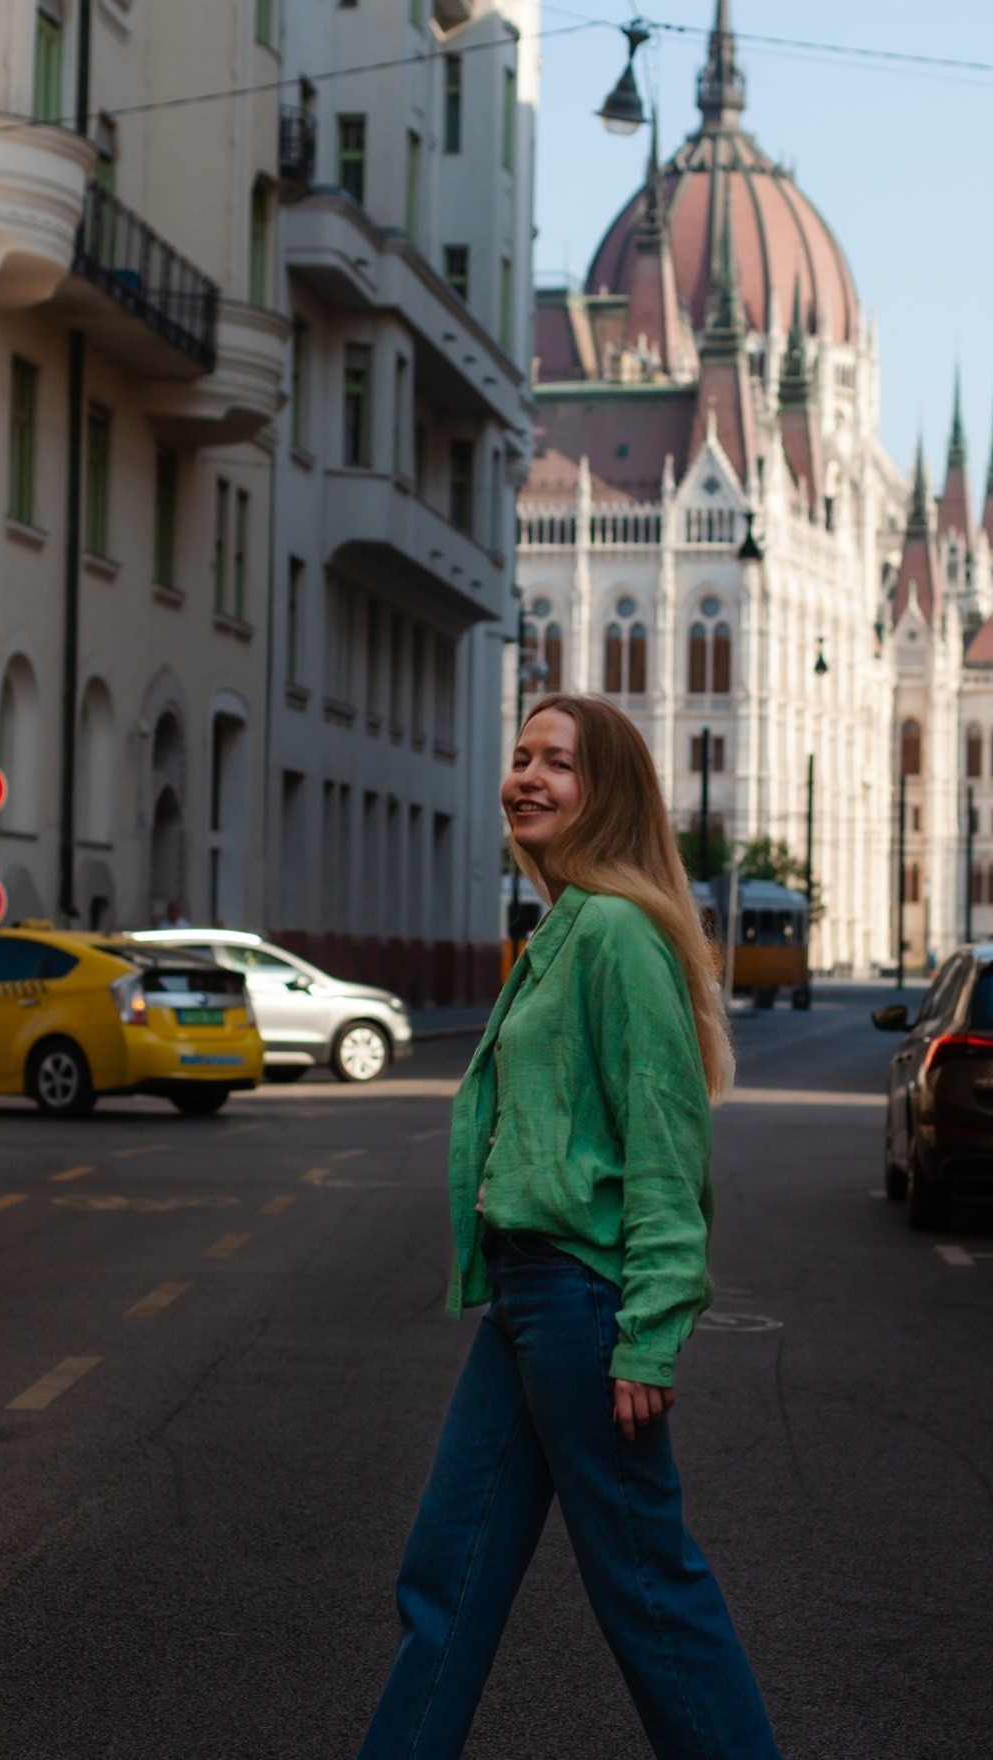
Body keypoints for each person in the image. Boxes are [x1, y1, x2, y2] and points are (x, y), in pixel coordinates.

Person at [358, 693, 781, 1760]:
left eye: (559, 763)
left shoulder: (620, 936)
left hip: (585, 1304)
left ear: (610, 796)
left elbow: (667, 1148)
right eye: (519, 757)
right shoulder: (569, 926)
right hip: (526, 1297)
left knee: (648, 1588)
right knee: (446, 1575)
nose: (526, 778)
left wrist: (650, 1330)